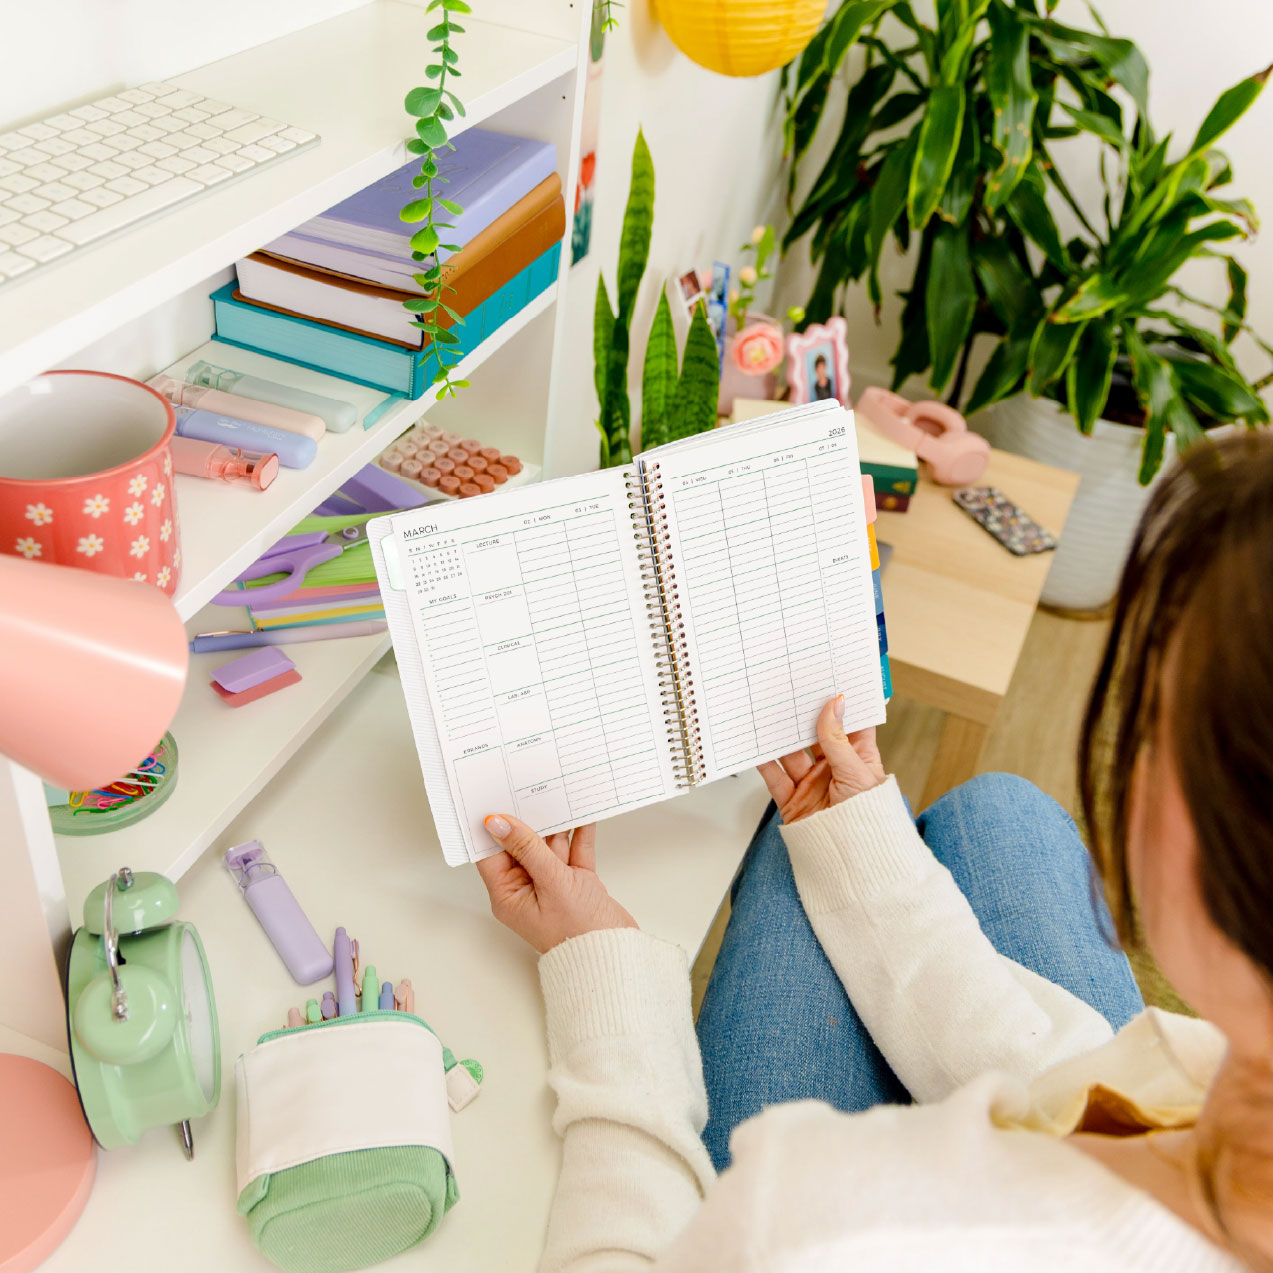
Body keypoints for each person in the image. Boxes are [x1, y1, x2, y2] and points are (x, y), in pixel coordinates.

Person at [475, 431, 1273, 1271]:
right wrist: (852, 836)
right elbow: (1061, 1090)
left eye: (1148, 725)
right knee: (995, 808)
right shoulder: (1197, 1077)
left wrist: (599, 972)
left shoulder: (823, 1211)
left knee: (811, 857)